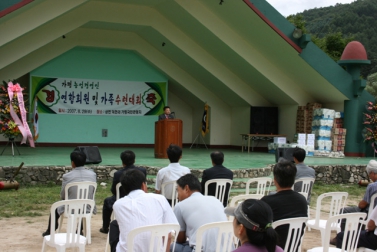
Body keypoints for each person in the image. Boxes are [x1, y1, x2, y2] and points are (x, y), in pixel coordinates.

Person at [110, 169, 178, 252]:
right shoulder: (160, 199)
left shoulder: (118, 205)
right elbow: (169, 235)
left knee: (114, 225)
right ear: (143, 185)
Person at [42, 150, 97, 237]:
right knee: (85, 209)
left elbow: (63, 195)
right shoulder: (92, 175)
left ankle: (50, 230)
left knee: (55, 208)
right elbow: (92, 192)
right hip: (88, 206)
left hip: (70, 208)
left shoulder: (67, 176)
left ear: (72, 163)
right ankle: (80, 229)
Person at [172, 174, 228, 252]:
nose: (177, 196)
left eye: (178, 191)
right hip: (226, 249)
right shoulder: (216, 200)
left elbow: (181, 239)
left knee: (171, 246)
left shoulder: (180, 206)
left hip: (201, 250)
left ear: (186, 188)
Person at [261, 160, 308, 250]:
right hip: (292, 248)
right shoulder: (302, 200)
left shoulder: (267, 202)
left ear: (275, 180)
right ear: (294, 179)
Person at [330, 159, 377, 244]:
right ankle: (360, 235)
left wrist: (360, 204)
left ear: (373, 173)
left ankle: (341, 237)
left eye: (369, 174)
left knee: (343, 211)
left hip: (370, 213)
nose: (369, 177)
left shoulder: (372, 186)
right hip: (373, 212)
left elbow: (363, 204)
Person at [100, 150, 147, 234]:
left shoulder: (118, 174)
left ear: (122, 162)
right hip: (140, 199)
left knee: (107, 201)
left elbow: (114, 190)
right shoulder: (142, 171)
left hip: (122, 199)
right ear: (134, 160)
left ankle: (105, 227)